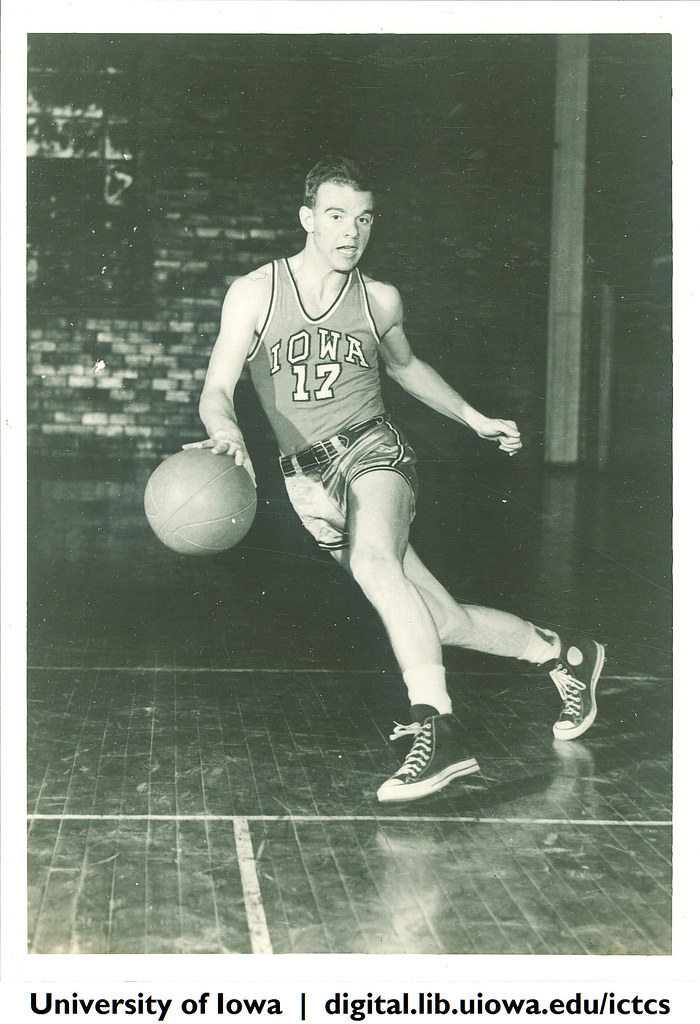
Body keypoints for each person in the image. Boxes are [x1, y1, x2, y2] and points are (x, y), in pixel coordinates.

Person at [185, 156, 605, 804]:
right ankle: (563, 654)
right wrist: (230, 432)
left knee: (377, 562)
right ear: (307, 219)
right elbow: (217, 388)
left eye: (363, 218)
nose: (351, 231)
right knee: (439, 620)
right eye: (335, 216)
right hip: (307, 482)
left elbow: (406, 367)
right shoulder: (256, 293)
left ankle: (439, 729)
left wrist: (474, 418)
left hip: (374, 450)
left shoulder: (378, 300)